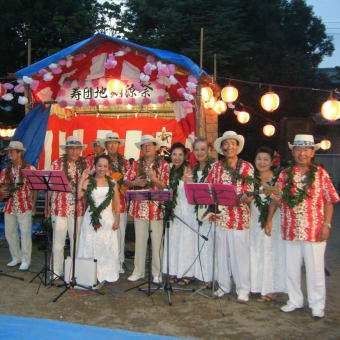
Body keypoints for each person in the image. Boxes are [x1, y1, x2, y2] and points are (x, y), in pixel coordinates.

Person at [265, 134, 339, 319]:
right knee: (291, 268)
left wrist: (327, 225)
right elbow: (275, 200)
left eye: (306, 149)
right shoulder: (284, 174)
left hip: (315, 230)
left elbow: (330, 200)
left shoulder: (321, 174)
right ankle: (294, 300)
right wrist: (268, 220)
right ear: (292, 152)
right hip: (290, 229)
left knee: (315, 269)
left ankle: (317, 304)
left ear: (312, 152)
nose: (302, 153)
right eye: (298, 149)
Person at [206, 131, 254, 302]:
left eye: (232, 143)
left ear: (237, 146)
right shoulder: (216, 167)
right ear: (222, 148)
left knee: (240, 256)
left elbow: (250, 193)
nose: (229, 147)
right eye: (226, 144)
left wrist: (246, 197)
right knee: (221, 255)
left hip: (239, 219)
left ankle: (243, 289)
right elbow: (207, 187)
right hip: (220, 218)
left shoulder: (246, 167)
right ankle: (224, 286)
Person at [125, 134, 169, 284]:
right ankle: (138, 271)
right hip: (139, 208)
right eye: (144, 146)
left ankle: (157, 273)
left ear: (155, 148)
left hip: (157, 208)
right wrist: (135, 182)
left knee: (157, 242)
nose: (147, 147)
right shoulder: (137, 164)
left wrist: (155, 179)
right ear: (141, 149)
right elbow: (126, 180)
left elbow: (167, 186)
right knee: (140, 240)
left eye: (150, 145)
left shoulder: (163, 165)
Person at [45, 136, 87, 279]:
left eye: (77, 148)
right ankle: (56, 271)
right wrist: (47, 208)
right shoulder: (56, 164)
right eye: (71, 148)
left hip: (78, 210)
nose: (74, 151)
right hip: (58, 208)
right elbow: (49, 187)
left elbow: (87, 189)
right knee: (58, 242)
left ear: (81, 150)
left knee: (77, 241)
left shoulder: (84, 165)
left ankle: (74, 271)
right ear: (66, 150)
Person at [250, 146, 286, 301]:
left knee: (270, 253)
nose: (262, 162)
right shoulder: (251, 178)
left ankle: (270, 289)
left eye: (266, 159)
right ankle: (256, 286)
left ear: (272, 162)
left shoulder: (277, 179)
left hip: (272, 219)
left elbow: (278, 201)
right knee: (255, 252)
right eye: (259, 159)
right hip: (253, 219)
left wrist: (269, 220)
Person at [77, 155, 121, 283]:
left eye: (105, 166)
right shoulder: (88, 181)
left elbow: (117, 202)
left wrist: (117, 218)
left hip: (107, 219)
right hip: (90, 218)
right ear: (95, 166)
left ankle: (105, 273)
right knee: (90, 244)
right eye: (99, 166)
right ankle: (89, 274)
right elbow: (79, 195)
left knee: (105, 246)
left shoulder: (112, 182)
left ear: (108, 168)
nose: (102, 168)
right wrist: (82, 179)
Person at [162, 142, 196, 285]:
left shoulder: (188, 171)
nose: (177, 158)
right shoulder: (169, 171)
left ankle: (186, 273)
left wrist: (188, 181)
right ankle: (174, 272)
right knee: (174, 241)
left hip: (186, 212)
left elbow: (194, 195)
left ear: (185, 156)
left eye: (180, 155)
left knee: (186, 243)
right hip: (173, 212)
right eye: (174, 154)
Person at [0, 141, 37, 271]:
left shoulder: (30, 168)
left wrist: (33, 205)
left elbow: (35, 188)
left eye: (12, 151)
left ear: (20, 153)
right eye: (8, 151)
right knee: (10, 233)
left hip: (24, 205)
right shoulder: (5, 171)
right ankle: (16, 257)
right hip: (9, 205)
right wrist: (3, 192)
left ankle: (26, 259)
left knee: (25, 233)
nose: (9, 154)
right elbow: (2, 187)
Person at [103, 132, 130, 274]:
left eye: (114, 142)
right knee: (106, 234)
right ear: (106, 146)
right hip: (105, 204)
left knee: (120, 234)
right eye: (109, 143)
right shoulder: (100, 161)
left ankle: (120, 262)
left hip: (121, 204)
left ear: (118, 145)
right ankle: (107, 262)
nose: (112, 145)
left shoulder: (125, 162)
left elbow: (128, 181)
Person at [192, 137, 216, 287]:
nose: (199, 152)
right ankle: (200, 275)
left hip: (210, 211)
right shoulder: (193, 169)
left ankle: (210, 277)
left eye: (203, 149)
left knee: (209, 245)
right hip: (198, 212)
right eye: (196, 149)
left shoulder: (215, 168)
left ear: (209, 150)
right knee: (199, 243)